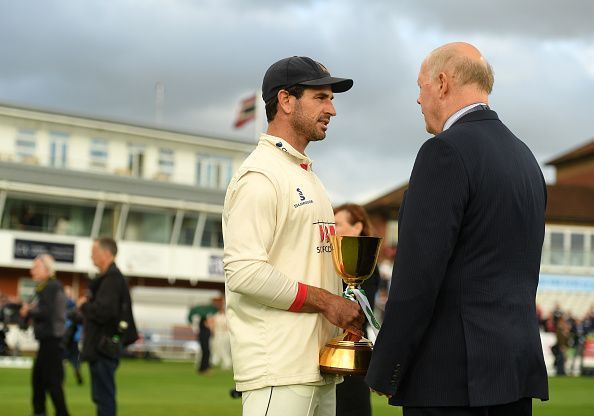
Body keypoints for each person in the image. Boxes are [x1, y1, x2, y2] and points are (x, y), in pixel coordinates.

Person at [365, 42, 549, 415]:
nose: (418, 99)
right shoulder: (526, 158)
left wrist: (386, 368)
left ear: (443, 83)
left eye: (421, 86)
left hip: (451, 382)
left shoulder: (444, 152)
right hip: (513, 375)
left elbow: (418, 275)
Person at [223, 56, 364, 416]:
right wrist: (327, 302)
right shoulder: (260, 175)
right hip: (279, 368)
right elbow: (244, 272)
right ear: (286, 101)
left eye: (331, 99)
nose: (332, 109)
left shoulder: (306, 176)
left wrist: (342, 309)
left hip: (318, 363)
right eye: (321, 97)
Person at [78, 237, 136, 416]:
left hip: (104, 348)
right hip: (102, 347)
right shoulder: (108, 279)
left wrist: (84, 305)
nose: (91, 257)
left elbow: (105, 312)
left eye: (94, 253)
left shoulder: (112, 280)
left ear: (106, 254)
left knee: (104, 397)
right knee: (101, 397)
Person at [333, 203, 380, 416]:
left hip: (353, 351)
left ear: (357, 227)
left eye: (338, 224)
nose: (333, 229)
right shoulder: (332, 259)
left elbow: (358, 309)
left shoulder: (367, 263)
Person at [20, 254, 70, 416]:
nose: (31, 270)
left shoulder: (52, 286)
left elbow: (48, 312)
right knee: (39, 381)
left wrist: (29, 311)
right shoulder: (44, 287)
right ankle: (40, 412)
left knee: (52, 382)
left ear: (47, 269)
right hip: (47, 341)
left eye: (36, 267)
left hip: (52, 341)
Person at [187, 300, 218, 374]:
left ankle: (205, 368)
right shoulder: (200, 320)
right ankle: (204, 368)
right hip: (203, 336)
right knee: (205, 351)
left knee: (206, 351)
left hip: (205, 336)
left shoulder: (205, 321)